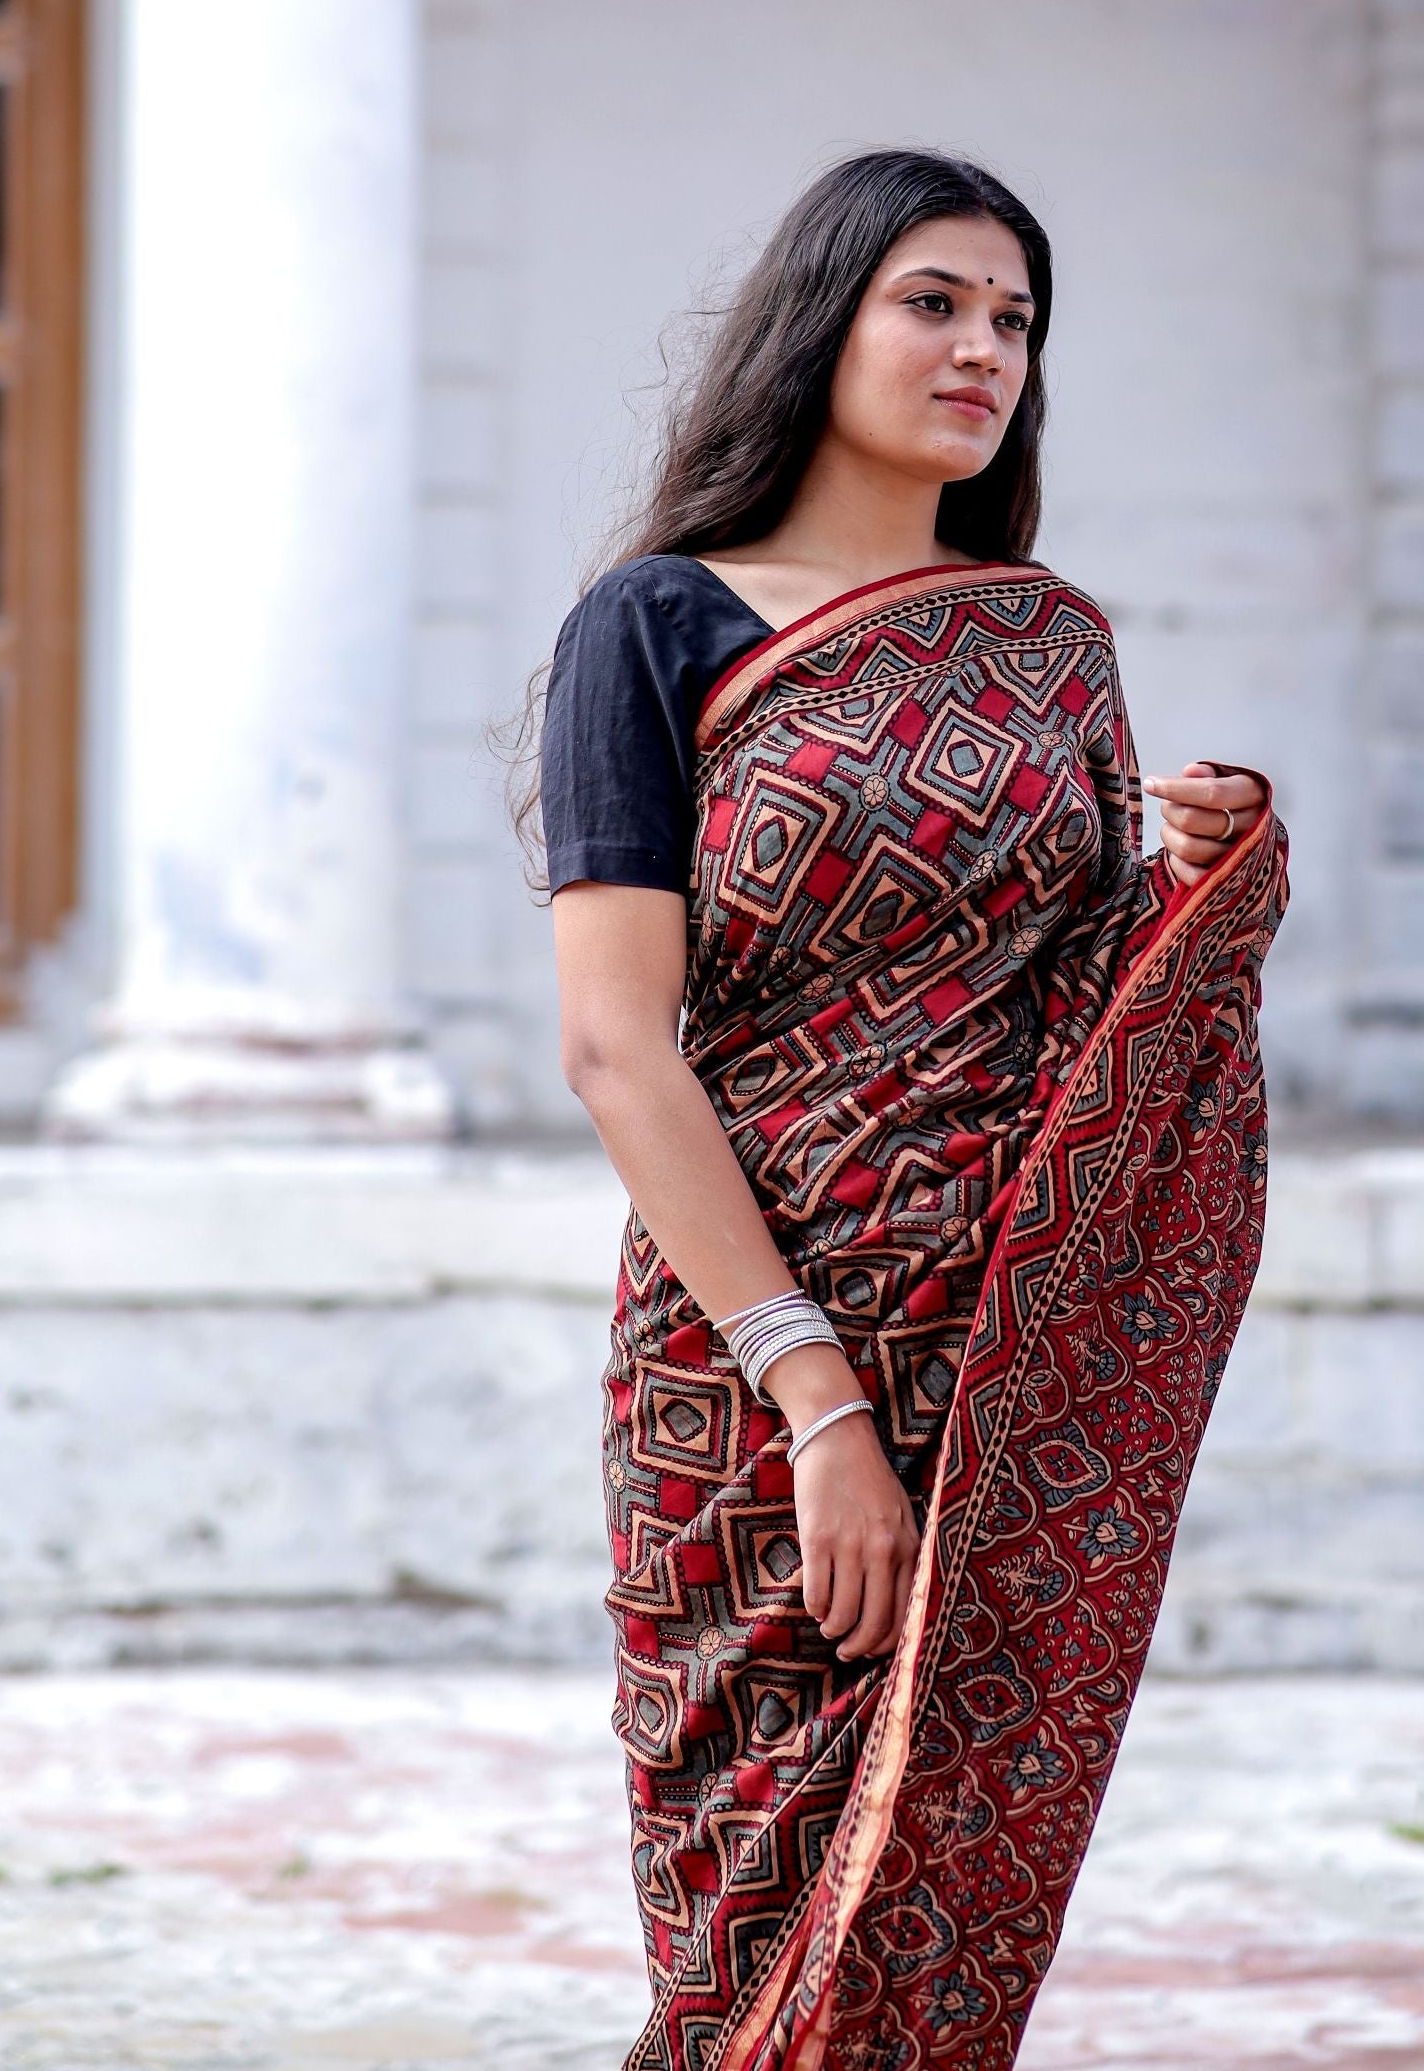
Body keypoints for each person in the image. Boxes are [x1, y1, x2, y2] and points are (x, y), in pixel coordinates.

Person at [534, 148, 1287, 2071]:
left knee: (943, 1907)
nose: (983, 351)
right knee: (751, 1914)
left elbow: (1081, 1000)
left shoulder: (1047, 640)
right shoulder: (656, 626)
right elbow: (621, 1047)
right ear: (826, 321)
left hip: (1006, 1346)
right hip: (750, 1358)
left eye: (1016, 321)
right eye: (932, 303)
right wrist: (813, 1396)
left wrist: (1201, 873)